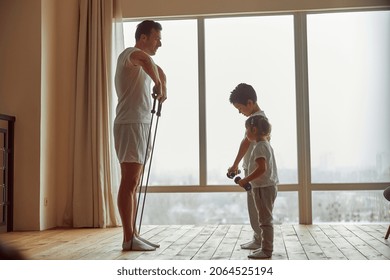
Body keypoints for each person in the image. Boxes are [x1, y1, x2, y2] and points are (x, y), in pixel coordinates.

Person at [114, 20, 167, 251]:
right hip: (130, 123)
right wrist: (158, 82)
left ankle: (133, 235)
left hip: (141, 124)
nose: (160, 43)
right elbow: (146, 60)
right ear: (143, 37)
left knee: (134, 183)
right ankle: (128, 239)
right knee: (129, 181)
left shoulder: (147, 65)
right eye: (157, 38)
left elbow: (159, 70)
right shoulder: (130, 54)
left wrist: (162, 85)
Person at [227, 83, 267, 250]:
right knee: (256, 209)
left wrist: (235, 164)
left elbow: (245, 143)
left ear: (249, 103)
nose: (239, 112)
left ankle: (260, 241)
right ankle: (259, 239)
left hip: (255, 175)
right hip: (251, 172)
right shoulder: (258, 119)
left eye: (240, 108)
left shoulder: (255, 121)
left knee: (256, 210)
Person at [237, 115, 278, 259]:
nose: (246, 133)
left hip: (263, 188)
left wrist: (245, 180)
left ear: (254, 130)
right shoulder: (265, 144)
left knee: (265, 220)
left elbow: (261, 169)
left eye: (246, 130)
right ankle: (265, 247)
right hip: (267, 186)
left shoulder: (260, 147)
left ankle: (266, 250)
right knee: (265, 219)